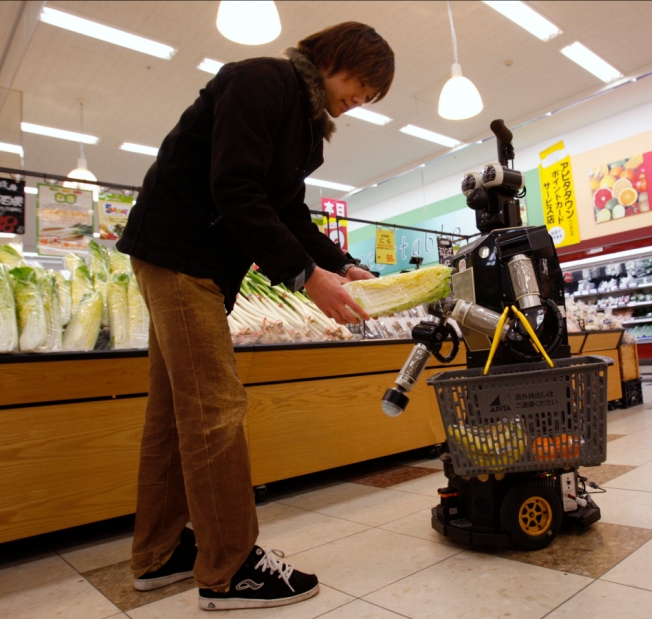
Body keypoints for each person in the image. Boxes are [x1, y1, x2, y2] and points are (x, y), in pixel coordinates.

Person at [116, 22, 394, 611]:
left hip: (193, 263)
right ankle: (230, 568)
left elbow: (285, 211)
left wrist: (341, 265)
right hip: (181, 254)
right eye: (363, 83)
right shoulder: (262, 81)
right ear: (334, 57)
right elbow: (234, 186)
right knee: (217, 409)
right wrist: (304, 276)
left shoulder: (301, 122)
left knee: (174, 414)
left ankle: (160, 553)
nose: (362, 100)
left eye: (371, 95)